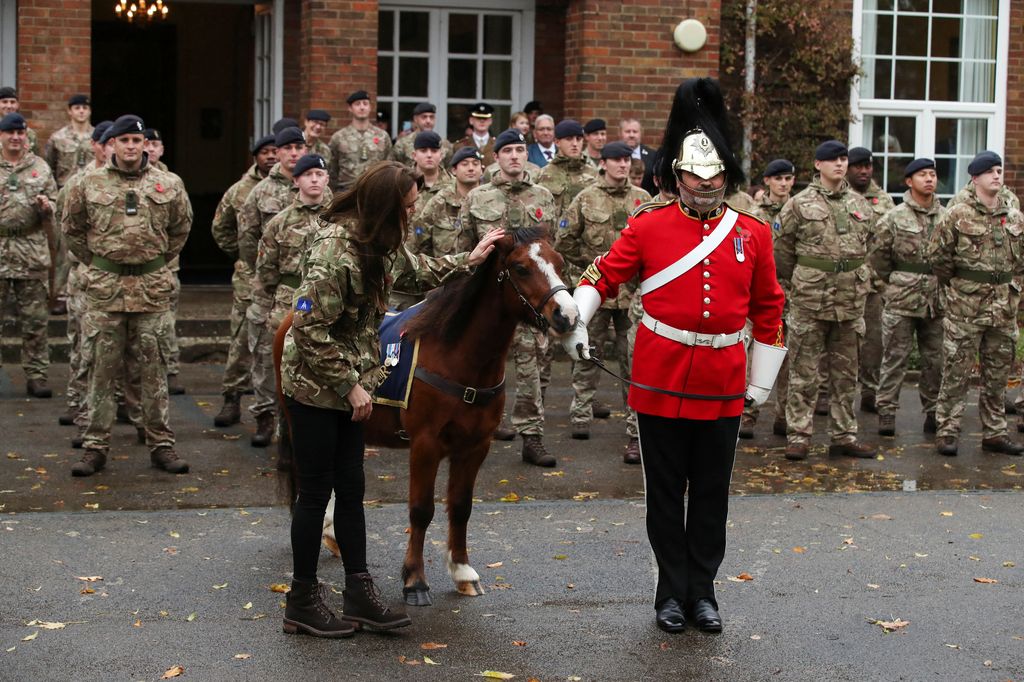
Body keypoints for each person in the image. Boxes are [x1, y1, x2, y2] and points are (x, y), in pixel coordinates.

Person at [562, 78, 785, 634]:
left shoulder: (752, 233)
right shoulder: (648, 223)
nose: (706, 189)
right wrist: (577, 317)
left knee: (711, 494)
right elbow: (605, 273)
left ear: (726, 179)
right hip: (660, 375)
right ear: (676, 177)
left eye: (715, 180)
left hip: (723, 378)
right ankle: (669, 593)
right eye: (695, 179)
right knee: (664, 495)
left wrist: (760, 380)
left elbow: (770, 306)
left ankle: (703, 592)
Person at [279, 160, 502, 637]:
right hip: (315, 386)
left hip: (349, 382)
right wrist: (350, 385)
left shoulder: (381, 243)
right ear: (385, 208)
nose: (412, 213)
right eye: (407, 206)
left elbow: (417, 271)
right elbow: (308, 329)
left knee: (353, 491)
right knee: (317, 493)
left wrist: (471, 260)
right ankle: (301, 601)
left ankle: (359, 593)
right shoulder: (333, 251)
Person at [62, 114, 193, 476]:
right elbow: (71, 228)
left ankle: (161, 445)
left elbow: (180, 229)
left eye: (138, 141)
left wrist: (154, 262)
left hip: (151, 289)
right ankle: (95, 447)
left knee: (154, 371)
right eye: (124, 141)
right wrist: (99, 262)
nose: (132, 147)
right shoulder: (87, 183)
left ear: (145, 145)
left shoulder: (169, 184)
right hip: (106, 290)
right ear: (112, 145)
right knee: (101, 370)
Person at [459, 129, 558, 466]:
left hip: (527, 298)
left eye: (520, 150)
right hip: (489, 300)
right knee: (481, 365)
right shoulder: (478, 197)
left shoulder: (543, 196)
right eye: (508, 151)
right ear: (496, 157)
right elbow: (463, 247)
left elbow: (549, 249)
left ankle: (532, 436)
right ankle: (477, 430)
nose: (515, 156)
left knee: (532, 366)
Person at [774, 140, 876, 461]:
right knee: (804, 371)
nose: (840, 164)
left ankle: (844, 435)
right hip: (810, 300)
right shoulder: (799, 204)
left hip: (849, 301)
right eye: (832, 159)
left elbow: (868, 246)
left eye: (843, 158)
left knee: (846, 373)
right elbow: (781, 252)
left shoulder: (861, 204)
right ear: (817, 165)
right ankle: (799, 435)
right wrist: (806, 278)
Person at [556, 140, 650, 462]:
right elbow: (564, 240)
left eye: (627, 159)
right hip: (597, 291)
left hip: (632, 295)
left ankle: (634, 427)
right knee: (586, 353)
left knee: (633, 362)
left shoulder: (643, 199)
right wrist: (586, 266)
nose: (623, 165)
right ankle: (581, 415)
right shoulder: (586, 198)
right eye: (617, 160)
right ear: (604, 163)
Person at [928, 151, 1024, 457]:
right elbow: (938, 257)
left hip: (1003, 309)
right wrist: (961, 285)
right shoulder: (957, 214)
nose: (997, 175)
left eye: (999, 170)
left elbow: (1019, 260)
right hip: (966, 308)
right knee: (957, 371)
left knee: (997, 374)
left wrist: (1013, 288)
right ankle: (947, 430)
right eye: (990, 171)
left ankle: (994, 431)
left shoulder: (1014, 215)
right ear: (975, 177)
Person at [239, 125, 312, 447]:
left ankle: (297, 424)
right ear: (277, 153)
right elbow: (246, 237)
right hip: (275, 287)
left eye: (300, 147)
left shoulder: (322, 189)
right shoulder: (259, 192)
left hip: (311, 291)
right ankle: (265, 417)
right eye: (289, 148)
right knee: (268, 359)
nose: (294, 153)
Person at [869, 158, 946, 437]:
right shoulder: (894, 217)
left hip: (936, 300)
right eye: (923, 175)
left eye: (933, 174)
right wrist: (889, 287)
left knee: (936, 360)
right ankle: (887, 411)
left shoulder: (947, 216)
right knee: (894, 358)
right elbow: (877, 257)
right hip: (901, 298)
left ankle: (934, 411)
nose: (929, 179)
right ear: (909, 181)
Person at [209, 133, 277, 427]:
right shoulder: (239, 191)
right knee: (240, 340)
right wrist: (241, 256)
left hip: (283, 280)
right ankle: (232, 397)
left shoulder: (296, 186)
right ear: (255, 156)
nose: (271, 156)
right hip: (250, 278)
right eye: (265, 152)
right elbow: (221, 228)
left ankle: (274, 408)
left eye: (276, 151)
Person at [56, 120, 112, 435]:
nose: (108, 148)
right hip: (84, 275)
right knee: (81, 343)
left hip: (111, 279)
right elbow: (66, 226)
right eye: (103, 143)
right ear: (96, 146)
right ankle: (79, 403)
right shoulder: (79, 180)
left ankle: (111, 407)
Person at [0, 112, 58, 398]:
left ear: (26, 136)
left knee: (35, 321)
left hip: (31, 250)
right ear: (1, 135)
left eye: (20, 133)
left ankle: (37, 375)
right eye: (10, 132)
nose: (15, 137)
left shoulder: (40, 167)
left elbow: (56, 203)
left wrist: (48, 207)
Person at [739, 158, 796, 439]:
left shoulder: (800, 209)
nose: (784, 184)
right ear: (768, 182)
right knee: (753, 352)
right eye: (779, 179)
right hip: (759, 292)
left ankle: (784, 415)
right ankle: (748, 413)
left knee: (788, 356)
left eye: (788, 179)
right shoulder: (753, 213)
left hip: (794, 292)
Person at [846, 147, 895, 415]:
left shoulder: (884, 201)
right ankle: (823, 393)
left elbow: (890, 244)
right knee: (839, 342)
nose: (864, 171)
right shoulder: (838, 197)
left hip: (873, 286)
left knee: (874, 342)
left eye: (868, 166)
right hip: (842, 285)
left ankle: (869, 391)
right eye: (858, 166)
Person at [328, 90, 392, 192]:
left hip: (376, 191)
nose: (362, 107)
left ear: (370, 107)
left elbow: (389, 166)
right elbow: (332, 170)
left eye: (365, 104)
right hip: (346, 192)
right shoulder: (339, 137)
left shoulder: (382, 136)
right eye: (357, 104)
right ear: (350, 108)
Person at [390, 102, 452, 168]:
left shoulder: (444, 144)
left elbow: (450, 170)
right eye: (424, 117)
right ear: (415, 119)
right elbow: (393, 168)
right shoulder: (402, 144)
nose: (428, 121)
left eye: (431, 117)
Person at [0, 87, 39, 154]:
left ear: (17, 105)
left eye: (12, 102)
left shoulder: (29, 134)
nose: (9, 106)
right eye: (4, 102)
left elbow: (35, 158)